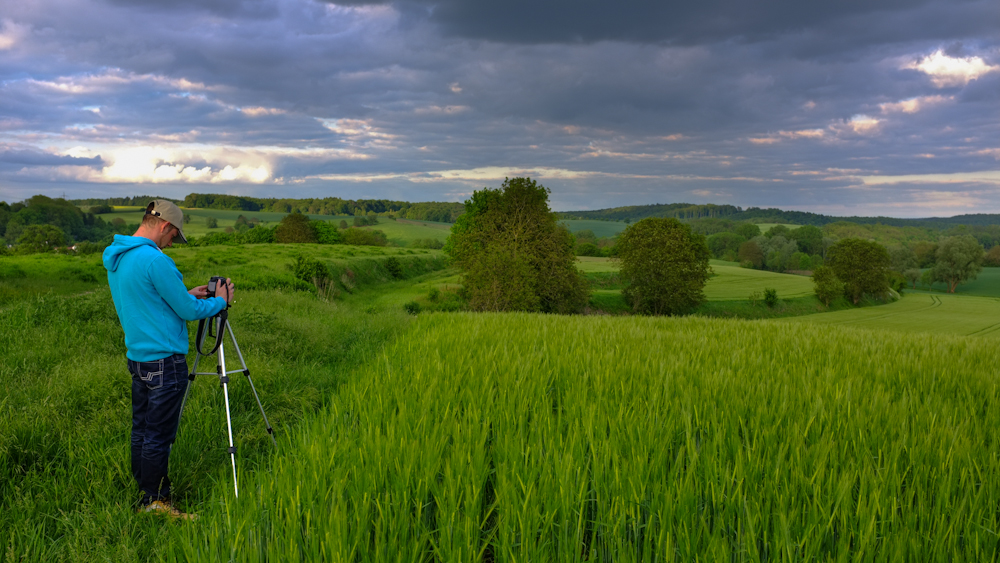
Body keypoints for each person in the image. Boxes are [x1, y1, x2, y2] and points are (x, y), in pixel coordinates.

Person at [103, 200, 235, 519]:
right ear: (164, 226)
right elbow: (189, 313)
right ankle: (155, 502)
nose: (172, 242)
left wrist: (184, 293)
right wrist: (219, 302)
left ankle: (144, 489)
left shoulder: (118, 257)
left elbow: (148, 301)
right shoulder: (155, 260)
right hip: (165, 362)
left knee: (142, 430)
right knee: (159, 435)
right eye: (174, 236)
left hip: (138, 358)